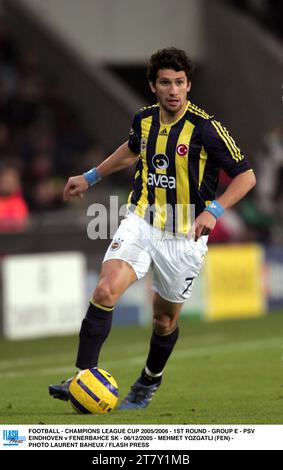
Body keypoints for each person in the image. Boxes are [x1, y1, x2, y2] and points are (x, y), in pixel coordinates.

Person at [49, 47, 256, 409]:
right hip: (142, 221)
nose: (173, 90)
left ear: (189, 85)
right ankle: (83, 376)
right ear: (153, 86)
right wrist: (91, 176)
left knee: (163, 320)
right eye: (165, 83)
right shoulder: (144, 120)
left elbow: (247, 176)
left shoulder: (206, 129)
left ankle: (149, 380)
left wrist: (214, 211)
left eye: (179, 82)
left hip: (185, 236)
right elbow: (132, 150)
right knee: (105, 290)